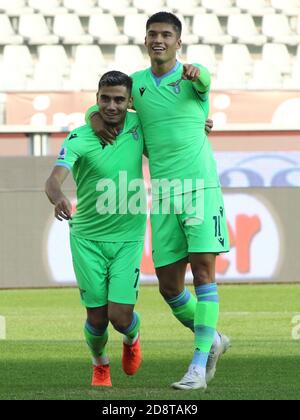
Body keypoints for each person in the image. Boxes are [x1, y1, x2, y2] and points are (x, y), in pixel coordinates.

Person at [85, 12, 230, 391]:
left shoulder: (192, 79)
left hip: (200, 189)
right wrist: (91, 115)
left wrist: (200, 76)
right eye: (153, 34)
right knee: (169, 287)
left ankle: (198, 365)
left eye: (167, 34)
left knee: (202, 274)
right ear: (145, 40)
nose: (159, 39)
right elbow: (109, 104)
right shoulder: (138, 86)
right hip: (163, 195)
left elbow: (206, 82)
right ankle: (212, 337)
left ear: (179, 42)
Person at [45, 71, 147, 388]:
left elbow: (173, 128)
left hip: (128, 237)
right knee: (97, 319)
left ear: (130, 101)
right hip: (87, 237)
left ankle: (132, 338)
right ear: (97, 98)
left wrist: (200, 125)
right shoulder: (80, 137)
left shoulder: (139, 126)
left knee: (120, 318)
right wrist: (58, 196)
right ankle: (100, 364)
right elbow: (53, 179)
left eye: (119, 99)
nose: (111, 106)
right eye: (105, 99)